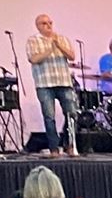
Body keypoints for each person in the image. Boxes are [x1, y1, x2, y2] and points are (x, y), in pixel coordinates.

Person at [25, 14, 81, 157]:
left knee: (72, 114)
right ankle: (54, 148)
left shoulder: (61, 39)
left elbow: (72, 56)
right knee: (49, 117)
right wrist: (50, 48)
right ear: (38, 26)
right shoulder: (33, 40)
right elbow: (34, 59)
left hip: (64, 82)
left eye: (50, 22)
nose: (48, 25)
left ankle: (69, 144)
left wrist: (58, 45)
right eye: (44, 23)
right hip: (45, 84)